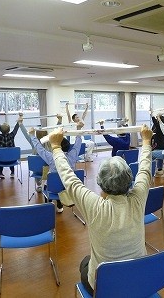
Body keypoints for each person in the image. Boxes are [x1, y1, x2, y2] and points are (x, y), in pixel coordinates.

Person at [49, 124, 152, 296]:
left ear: (101, 183)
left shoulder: (94, 206)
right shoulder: (138, 199)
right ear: (129, 181)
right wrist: (147, 141)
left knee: (84, 264)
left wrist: (55, 146)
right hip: (139, 280)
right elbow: (145, 169)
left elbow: (69, 179)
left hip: (105, 287)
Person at [20, 115, 83, 213]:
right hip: (69, 186)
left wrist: (32, 135)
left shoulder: (51, 156)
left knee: (51, 177)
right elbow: (78, 143)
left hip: (53, 186)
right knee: (58, 178)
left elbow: (39, 148)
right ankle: (59, 203)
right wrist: (78, 129)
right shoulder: (73, 154)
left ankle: (48, 200)